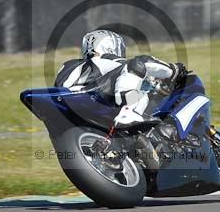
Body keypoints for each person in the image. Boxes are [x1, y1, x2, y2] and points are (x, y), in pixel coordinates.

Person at [54, 30, 187, 165]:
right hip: (101, 100)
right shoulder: (109, 60)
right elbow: (141, 65)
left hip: (71, 110)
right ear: (112, 45)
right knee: (139, 65)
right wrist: (174, 70)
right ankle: (128, 114)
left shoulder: (68, 66)